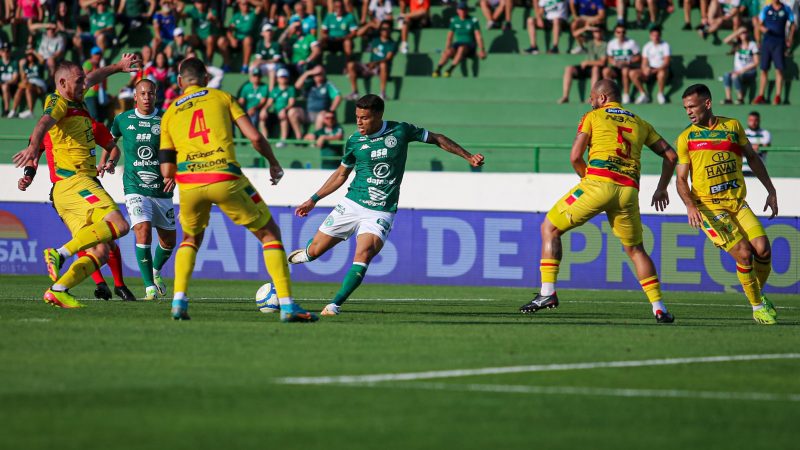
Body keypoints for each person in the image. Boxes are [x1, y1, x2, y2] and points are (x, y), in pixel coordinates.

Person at [287, 94, 484, 316]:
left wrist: (467, 156)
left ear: (379, 115)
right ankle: (296, 262)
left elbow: (437, 138)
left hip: (380, 211)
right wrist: (313, 200)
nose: (359, 122)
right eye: (357, 117)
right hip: (352, 204)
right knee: (313, 252)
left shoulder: (400, 131)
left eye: (364, 118)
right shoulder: (354, 141)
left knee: (364, 254)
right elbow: (341, 174)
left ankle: (334, 305)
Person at [158, 57, 316, 322]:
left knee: (189, 239)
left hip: (189, 183)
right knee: (270, 234)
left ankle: (178, 302)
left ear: (178, 82)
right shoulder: (221, 97)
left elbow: (166, 171)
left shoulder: (170, 111)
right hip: (224, 176)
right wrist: (273, 163)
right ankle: (288, 306)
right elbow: (254, 137)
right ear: (206, 78)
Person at [519, 79, 677, 324]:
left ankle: (547, 293)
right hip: (628, 191)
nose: (590, 101)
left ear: (602, 98)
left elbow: (575, 157)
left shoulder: (593, 116)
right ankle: (660, 308)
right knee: (636, 250)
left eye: (592, 97)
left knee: (549, 227)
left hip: (597, 183)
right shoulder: (640, 122)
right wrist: (661, 188)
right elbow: (671, 155)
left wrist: (587, 179)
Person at [12, 53, 141, 308]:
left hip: (67, 191)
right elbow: (43, 123)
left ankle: (58, 289)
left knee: (101, 251)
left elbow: (94, 76)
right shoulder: (59, 102)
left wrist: (118, 67)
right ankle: (59, 253)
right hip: (76, 181)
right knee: (120, 224)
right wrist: (33, 149)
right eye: (79, 81)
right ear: (62, 84)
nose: (85, 86)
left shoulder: (77, 101)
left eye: (84, 81)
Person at [675, 84, 778, 324]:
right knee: (744, 254)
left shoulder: (732, 127)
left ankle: (758, 297)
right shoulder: (686, 138)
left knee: (763, 250)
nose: (688, 112)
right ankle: (757, 307)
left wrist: (770, 190)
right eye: (685, 108)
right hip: (709, 208)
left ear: (707, 104)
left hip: (737, 203)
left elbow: (752, 158)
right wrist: (690, 205)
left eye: (692, 106)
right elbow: (680, 179)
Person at [105, 79, 176, 300]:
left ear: (156, 95)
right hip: (134, 185)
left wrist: (174, 174)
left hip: (161, 188)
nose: (146, 97)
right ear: (135, 96)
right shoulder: (122, 120)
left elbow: (179, 150)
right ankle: (149, 288)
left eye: (150, 93)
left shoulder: (165, 119)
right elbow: (109, 142)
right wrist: (107, 160)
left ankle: (155, 272)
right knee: (142, 230)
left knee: (168, 242)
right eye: (142, 93)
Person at [753, 0, 795, 105]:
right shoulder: (766, 9)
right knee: (764, 69)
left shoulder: (786, 9)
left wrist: (790, 38)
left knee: (779, 69)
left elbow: (792, 24)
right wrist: (761, 34)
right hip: (767, 43)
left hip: (779, 43)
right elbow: (759, 24)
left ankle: (778, 96)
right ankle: (761, 95)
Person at [433, 2, 486, 78]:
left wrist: (482, 49)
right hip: (458, 43)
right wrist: (447, 48)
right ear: (457, 10)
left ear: (467, 11)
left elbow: (478, 36)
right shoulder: (454, 20)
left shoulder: (473, 20)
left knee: (461, 48)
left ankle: (450, 70)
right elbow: (449, 37)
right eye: (460, 10)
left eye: (464, 10)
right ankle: (438, 69)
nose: (462, 12)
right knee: (448, 51)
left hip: (470, 44)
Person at [347, 19, 397, 100]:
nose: (385, 31)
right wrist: (370, 24)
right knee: (350, 65)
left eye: (388, 29)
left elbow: (388, 58)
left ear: (391, 30)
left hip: (380, 68)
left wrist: (375, 63)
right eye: (383, 29)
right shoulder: (375, 39)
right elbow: (359, 34)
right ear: (380, 29)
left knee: (383, 65)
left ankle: (382, 93)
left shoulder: (392, 43)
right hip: (370, 66)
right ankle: (354, 93)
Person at [558, 26, 606, 103]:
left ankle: (593, 97)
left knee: (595, 68)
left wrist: (588, 62)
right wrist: (585, 28)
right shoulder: (589, 42)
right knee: (569, 68)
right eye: (595, 31)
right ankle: (565, 96)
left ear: (602, 32)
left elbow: (602, 62)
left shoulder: (604, 44)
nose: (597, 33)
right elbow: (575, 35)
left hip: (596, 69)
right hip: (586, 67)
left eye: (598, 31)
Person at [292, 65, 342, 135]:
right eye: (316, 74)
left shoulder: (327, 85)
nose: (318, 76)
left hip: (322, 113)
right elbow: (297, 86)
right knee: (292, 112)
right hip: (309, 113)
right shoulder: (310, 84)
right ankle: (299, 137)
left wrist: (330, 110)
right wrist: (307, 73)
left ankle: (316, 138)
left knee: (321, 116)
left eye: (320, 74)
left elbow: (338, 96)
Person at [632, 25, 670, 104]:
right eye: (653, 35)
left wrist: (655, 70)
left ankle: (660, 94)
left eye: (657, 35)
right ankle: (643, 94)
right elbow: (644, 62)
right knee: (633, 73)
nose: (655, 37)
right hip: (650, 69)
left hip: (661, 69)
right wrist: (645, 69)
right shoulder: (647, 46)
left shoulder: (665, 45)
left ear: (660, 35)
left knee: (662, 73)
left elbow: (666, 62)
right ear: (650, 36)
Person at [603, 24, 640, 103]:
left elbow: (638, 57)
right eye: (618, 32)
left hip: (628, 66)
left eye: (623, 32)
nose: (621, 34)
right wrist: (615, 63)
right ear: (615, 33)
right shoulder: (611, 43)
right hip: (616, 67)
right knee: (606, 71)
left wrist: (628, 62)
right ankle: (611, 94)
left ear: (625, 33)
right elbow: (609, 58)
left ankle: (626, 95)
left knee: (625, 70)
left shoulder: (631, 43)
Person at [721, 28, 758, 104]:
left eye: (744, 32)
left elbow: (756, 62)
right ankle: (729, 98)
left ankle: (740, 98)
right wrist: (737, 32)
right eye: (741, 33)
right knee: (726, 75)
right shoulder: (737, 45)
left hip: (749, 71)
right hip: (737, 71)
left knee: (735, 76)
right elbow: (725, 41)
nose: (743, 34)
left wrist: (743, 70)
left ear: (748, 34)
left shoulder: (752, 45)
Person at [219, 0, 259, 73]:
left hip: (248, 42)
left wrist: (249, 0)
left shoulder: (252, 14)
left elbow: (261, 5)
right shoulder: (236, 16)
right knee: (221, 41)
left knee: (248, 39)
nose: (245, 6)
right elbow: (229, 30)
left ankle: (245, 66)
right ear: (239, 5)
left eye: (247, 4)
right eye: (243, 4)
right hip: (236, 41)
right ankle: (227, 65)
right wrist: (232, 39)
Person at [10, 48, 47, 118]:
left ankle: (30, 111)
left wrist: (33, 51)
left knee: (27, 87)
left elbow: (42, 60)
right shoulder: (25, 66)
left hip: (39, 84)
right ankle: (14, 110)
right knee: (21, 89)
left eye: (31, 55)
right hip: (29, 84)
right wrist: (21, 66)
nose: (30, 57)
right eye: (28, 55)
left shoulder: (38, 64)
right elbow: (23, 78)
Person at [266, 68, 297, 144]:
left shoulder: (290, 89)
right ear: (277, 79)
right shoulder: (275, 90)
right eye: (281, 77)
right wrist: (264, 110)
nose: (283, 79)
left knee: (283, 116)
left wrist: (284, 109)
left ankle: (283, 140)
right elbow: (269, 103)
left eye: (285, 77)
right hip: (274, 112)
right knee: (262, 117)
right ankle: (265, 139)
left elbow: (291, 103)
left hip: (284, 112)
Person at [238, 66, 270, 136]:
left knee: (254, 116)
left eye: (258, 76)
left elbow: (263, 101)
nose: (256, 78)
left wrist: (254, 108)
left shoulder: (264, 87)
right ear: (251, 77)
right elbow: (242, 100)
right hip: (246, 109)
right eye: (255, 76)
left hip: (258, 109)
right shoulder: (246, 87)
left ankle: (253, 137)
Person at [251, 23, 283, 90]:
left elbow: (276, 60)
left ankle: (270, 92)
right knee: (253, 66)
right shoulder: (259, 44)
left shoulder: (276, 44)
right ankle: (252, 88)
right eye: (267, 31)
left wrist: (263, 61)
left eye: (270, 31)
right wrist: (260, 62)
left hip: (273, 66)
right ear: (262, 33)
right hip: (264, 65)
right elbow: (258, 59)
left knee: (272, 71)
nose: (269, 33)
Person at [742, 110, 770, 176]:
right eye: (751, 120)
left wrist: (758, 146)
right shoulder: (743, 133)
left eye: (755, 120)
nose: (753, 123)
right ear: (748, 121)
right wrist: (752, 147)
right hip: (743, 169)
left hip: (759, 169)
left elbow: (765, 147)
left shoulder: (765, 133)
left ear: (759, 121)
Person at [1, 42, 20, 117]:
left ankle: (6, 109)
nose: (5, 53)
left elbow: (15, 79)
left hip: (11, 85)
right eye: (3, 51)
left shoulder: (14, 62)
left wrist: (6, 83)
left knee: (5, 86)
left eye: (7, 51)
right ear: (1, 52)